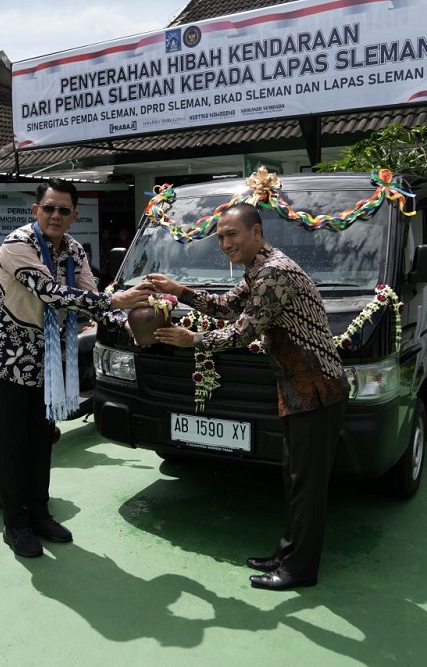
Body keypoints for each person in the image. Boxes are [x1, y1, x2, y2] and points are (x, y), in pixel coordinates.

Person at [148, 203, 349, 591]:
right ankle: (288, 554)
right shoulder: (259, 267)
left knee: (305, 485)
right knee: (294, 480)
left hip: (316, 389)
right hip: (296, 388)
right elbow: (227, 307)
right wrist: (181, 291)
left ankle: (299, 570)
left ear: (256, 232)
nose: (224, 243)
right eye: (220, 236)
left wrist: (194, 340)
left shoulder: (275, 273)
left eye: (232, 234)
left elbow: (242, 332)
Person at [0, 178, 153, 558]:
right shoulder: (17, 245)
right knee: (13, 444)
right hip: (9, 360)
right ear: (35, 210)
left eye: (63, 210)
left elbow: (92, 302)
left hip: (49, 361)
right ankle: (15, 523)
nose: (55, 216)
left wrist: (127, 322)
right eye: (49, 208)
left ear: (74, 215)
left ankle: (39, 513)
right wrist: (114, 300)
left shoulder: (74, 250)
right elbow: (50, 293)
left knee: (42, 440)